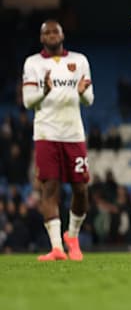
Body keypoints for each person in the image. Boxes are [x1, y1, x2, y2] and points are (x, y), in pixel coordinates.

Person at [22, 20, 94, 261]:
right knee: (49, 188)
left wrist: (83, 92)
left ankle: (72, 236)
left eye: (55, 31)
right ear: (42, 38)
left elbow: (90, 100)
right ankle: (56, 247)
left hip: (73, 133)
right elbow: (27, 101)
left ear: (63, 35)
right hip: (46, 132)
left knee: (81, 189)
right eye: (47, 32)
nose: (52, 35)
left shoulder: (80, 60)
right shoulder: (33, 63)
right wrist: (43, 91)